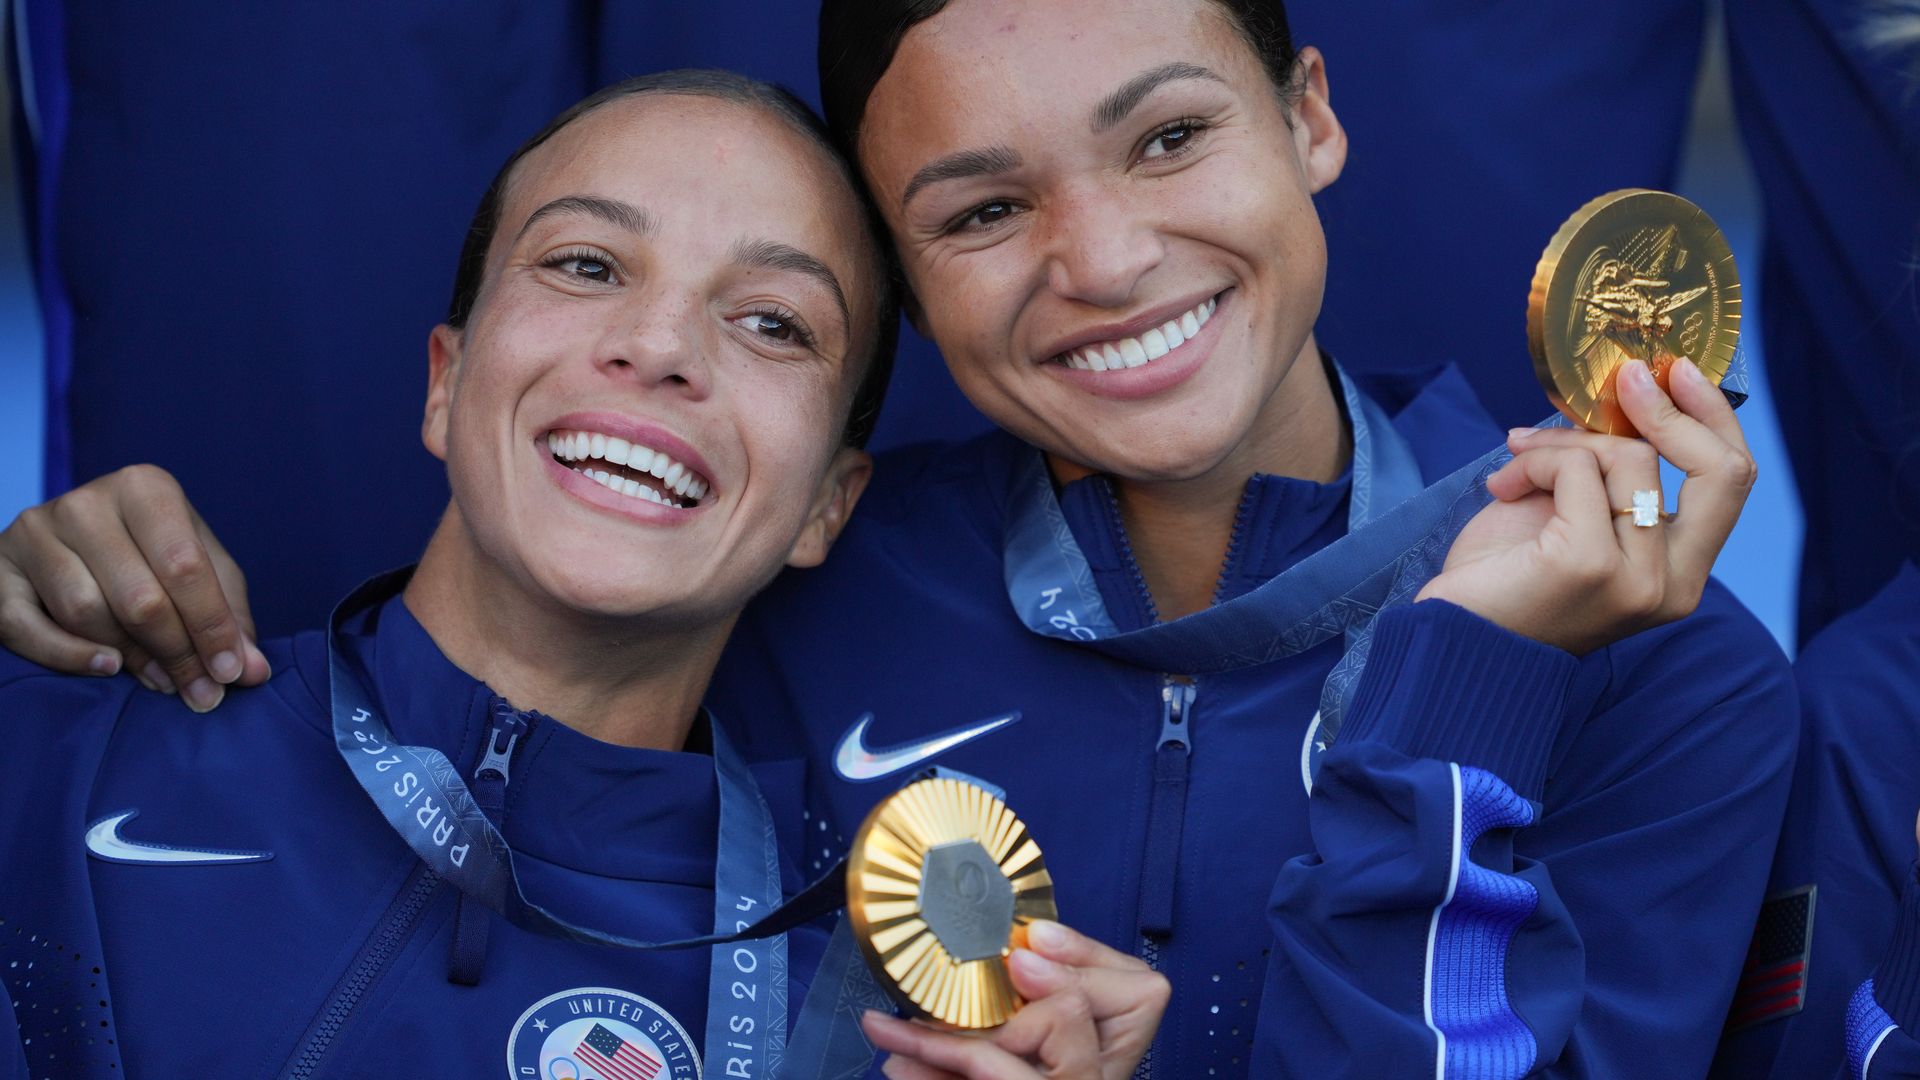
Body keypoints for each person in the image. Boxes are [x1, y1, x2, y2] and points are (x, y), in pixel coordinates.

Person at [0, 1, 1792, 1076]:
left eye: (1171, 137)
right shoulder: (807, 583)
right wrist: (49, 599)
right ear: (918, 295)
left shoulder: (1672, 672)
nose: (1104, 260)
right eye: (984, 210)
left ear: (1310, 114)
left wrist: (1470, 687)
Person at [0, 69, 1168, 1080]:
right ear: (446, 382)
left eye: (773, 323)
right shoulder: (55, 732)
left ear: (827, 504)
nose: (658, 348)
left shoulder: (861, 1040)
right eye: (586, 263)